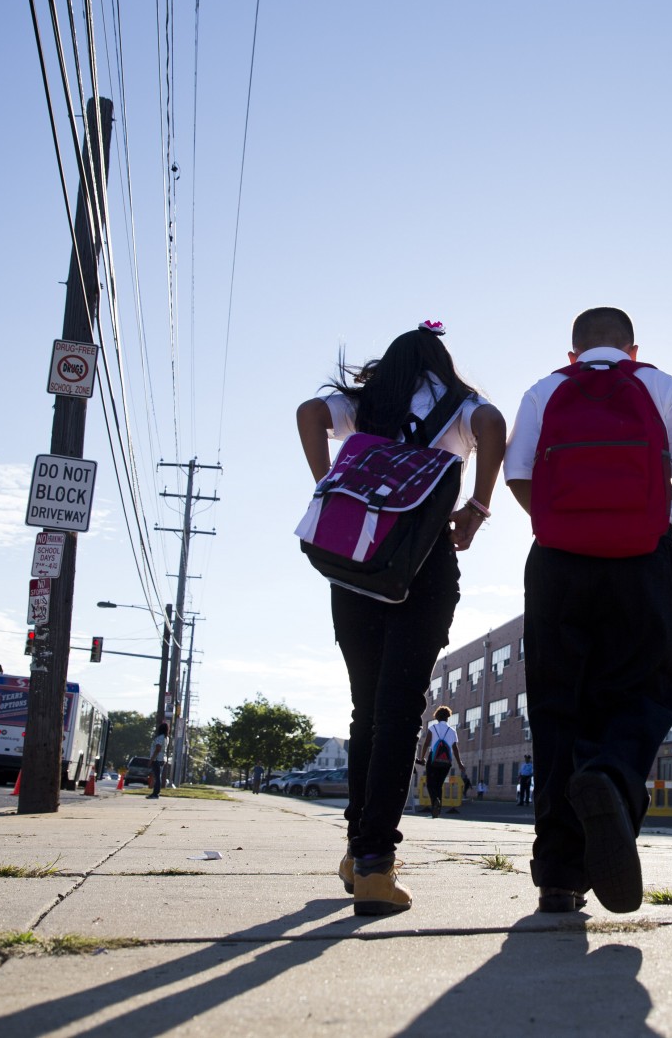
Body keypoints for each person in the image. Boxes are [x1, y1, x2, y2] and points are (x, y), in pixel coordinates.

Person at [505, 306, 672, 914]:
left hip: (556, 567)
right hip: (641, 560)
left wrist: (565, 523)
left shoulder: (546, 390)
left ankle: (559, 876)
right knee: (645, 691)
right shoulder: (659, 385)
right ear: (632, 346)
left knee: (556, 708)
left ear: (573, 353)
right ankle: (612, 774)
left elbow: (519, 476)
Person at [298, 320, 506, 916]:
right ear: (440, 362)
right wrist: (477, 509)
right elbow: (493, 428)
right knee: (398, 708)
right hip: (424, 561)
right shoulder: (461, 406)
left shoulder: (366, 404)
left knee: (367, 708)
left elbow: (309, 412)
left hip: (355, 558)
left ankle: (356, 853)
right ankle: (375, 865)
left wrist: (328, 485)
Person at [414, 705, 465, 817]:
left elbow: (426, 744)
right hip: (446, 761)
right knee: (439, 784)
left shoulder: (433, 728)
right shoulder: (452, 731)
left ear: (437, 717)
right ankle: (438, 809)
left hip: (433, 759)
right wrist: (460, 763)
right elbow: (455, 749)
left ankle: (435, 803)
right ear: (448, 717)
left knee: (430, 784)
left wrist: (422, 758)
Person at [146, 721, 169, 800]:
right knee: (158, 776)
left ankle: (155, 793)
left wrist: (151, 759)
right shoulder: (166, 738)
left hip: (157, 759)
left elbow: (158, 749)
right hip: (162, 759)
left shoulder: (160, 737)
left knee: (157, 777)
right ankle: (155, 792)